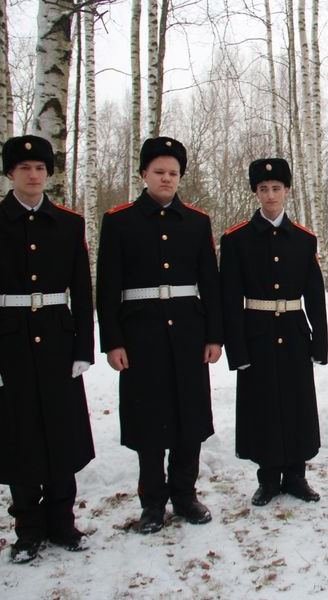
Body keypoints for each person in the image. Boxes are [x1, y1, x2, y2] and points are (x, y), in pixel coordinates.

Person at [0, 135, 95, 563]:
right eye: (24, 169)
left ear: (48, 174)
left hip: (57, 338)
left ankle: (62, 520)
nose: (33, 175)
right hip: (9, 342)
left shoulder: (70, 223)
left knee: (61, 431)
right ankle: (27, 528)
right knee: (19, 435)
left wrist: (83, 347)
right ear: (9, 174)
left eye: (40, 168)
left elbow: (81, 288)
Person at [96, 136, 222, 533]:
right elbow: (107, 287)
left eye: (173, 173)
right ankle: (152, 502)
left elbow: (210, 283)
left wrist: (214, 335)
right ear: (143, 175)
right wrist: (113, 340)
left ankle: (185, 495)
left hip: (188, 331)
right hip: (140, 334)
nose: (167, 179)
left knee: (189, 415)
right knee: (148, 418)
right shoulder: (119, 221)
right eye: (159, 172)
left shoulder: (197, 222)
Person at [220, 158, 328, 507]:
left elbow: (314, 294)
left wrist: (320, 341)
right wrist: (237, 349)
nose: (270, 194)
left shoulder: (304, 239)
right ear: (255, 192)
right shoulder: (236, 239)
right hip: (257, 334)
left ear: (287, 192)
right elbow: (229, 297)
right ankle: (267, 479)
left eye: (276, 188)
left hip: (295, 333)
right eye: (263, 189)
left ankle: (297, 476)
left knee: (297, 404)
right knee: (262, 406)